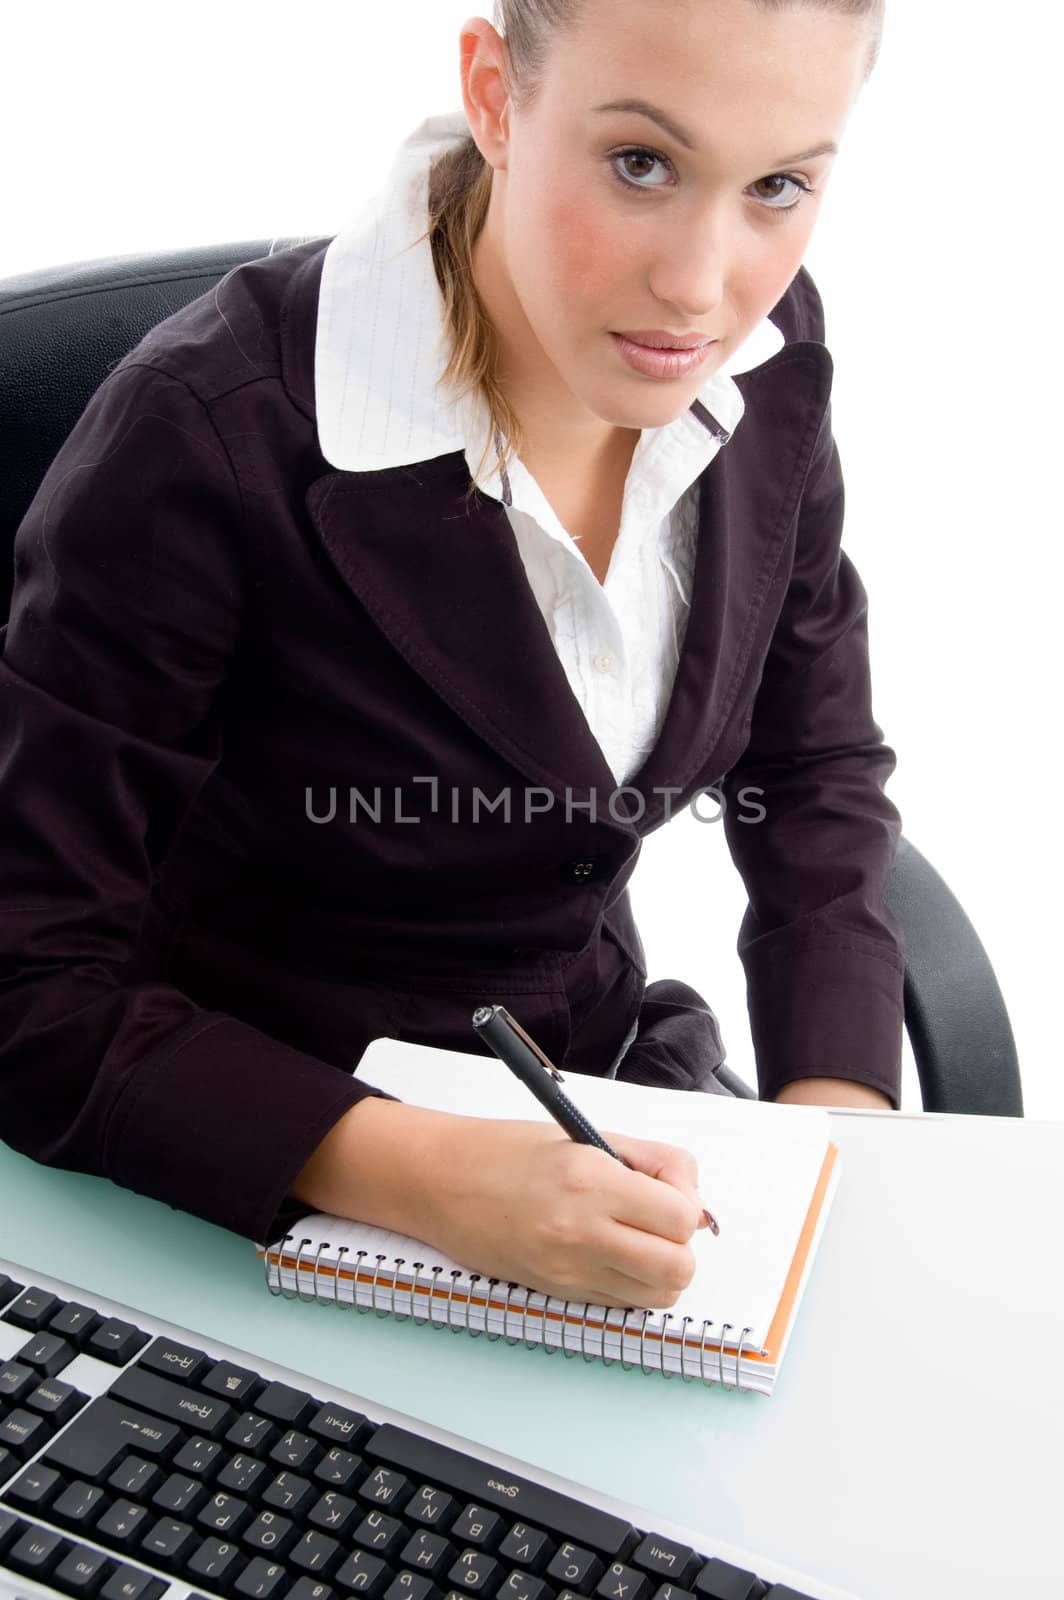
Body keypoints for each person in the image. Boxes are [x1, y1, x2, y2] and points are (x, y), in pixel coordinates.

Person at [0, 0, 902, 1314]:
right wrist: (437, 1179)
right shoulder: (201, 438)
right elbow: (26, 982)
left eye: (777, 186)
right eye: (640, 164)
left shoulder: (756, 357)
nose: (702, 285)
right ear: (495, 90)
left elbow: (816, 765)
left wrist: (838, 1143)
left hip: (605, 1109)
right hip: (258, 1159)